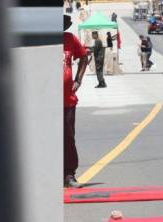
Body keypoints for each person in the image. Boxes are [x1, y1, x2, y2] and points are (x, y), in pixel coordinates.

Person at [64, 15, 88, 189]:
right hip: (43, 101)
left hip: (67, 100)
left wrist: (78, 80)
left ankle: (69, 174)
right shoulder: (39, 42)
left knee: (68, 139)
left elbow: (84, 57)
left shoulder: (70, 39)